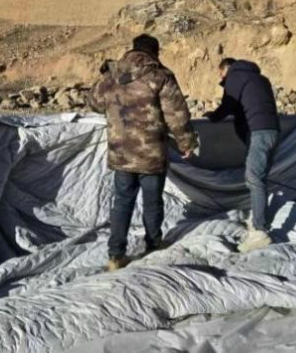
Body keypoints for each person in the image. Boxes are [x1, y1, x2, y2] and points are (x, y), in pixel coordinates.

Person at [88, 34, 198, 271]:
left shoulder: (112, 75)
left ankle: (115, 256)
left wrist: (102, 76)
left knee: (122, 203)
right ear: (154, 52)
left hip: (121, 154)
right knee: (152, 202)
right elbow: (176, 114)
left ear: (133, 49)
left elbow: (94, 103)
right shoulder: (160, 76)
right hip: (151, 154)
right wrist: (186, 143)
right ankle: (153, 244)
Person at [205, 58, 280, 252]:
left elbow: (228, 105)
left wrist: (214, 116)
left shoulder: (235, 77)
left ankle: (260, 231)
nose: (221, 78)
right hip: (272, 131)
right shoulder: (259, 79)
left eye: (221, 74)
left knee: (254, 178)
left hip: (259, 133)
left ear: (226, 68)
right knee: (259, 178)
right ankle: (258, 218)